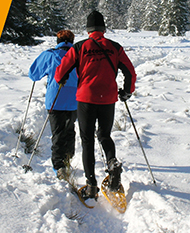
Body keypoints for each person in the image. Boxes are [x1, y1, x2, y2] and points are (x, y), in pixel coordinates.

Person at [55, 10, 136, 199]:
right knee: (105, 135)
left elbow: (60, 72)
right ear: (103, 28)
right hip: (108, 98)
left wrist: (63, 77)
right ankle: (112, 162)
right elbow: (130, 71)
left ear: (88, 29)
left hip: (86, 98)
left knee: (87, 140)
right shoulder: (115, 47)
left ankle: (91, 185)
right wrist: (126, 91)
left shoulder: (80, 47)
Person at [29, 30, 79, 181]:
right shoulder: (79, 55)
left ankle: (59, 166)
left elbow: (34, 74)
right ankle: (68, 159)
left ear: (58, 41)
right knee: (70, 130)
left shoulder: (49, 55)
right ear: (72, 41)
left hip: (54, 100)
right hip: (74, 100)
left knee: (58, 133)